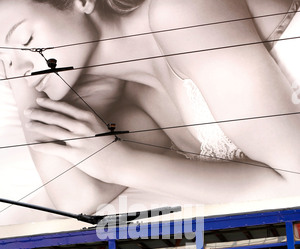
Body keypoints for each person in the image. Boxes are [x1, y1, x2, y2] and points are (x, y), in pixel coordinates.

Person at [2, 0, 300, 223]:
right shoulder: (136, 96)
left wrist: (125, 164)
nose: (21, 69)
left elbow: (295, 185)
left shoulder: (181, 10)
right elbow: (77, 196)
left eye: (25, 40)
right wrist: (25, 82)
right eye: (5, 62)